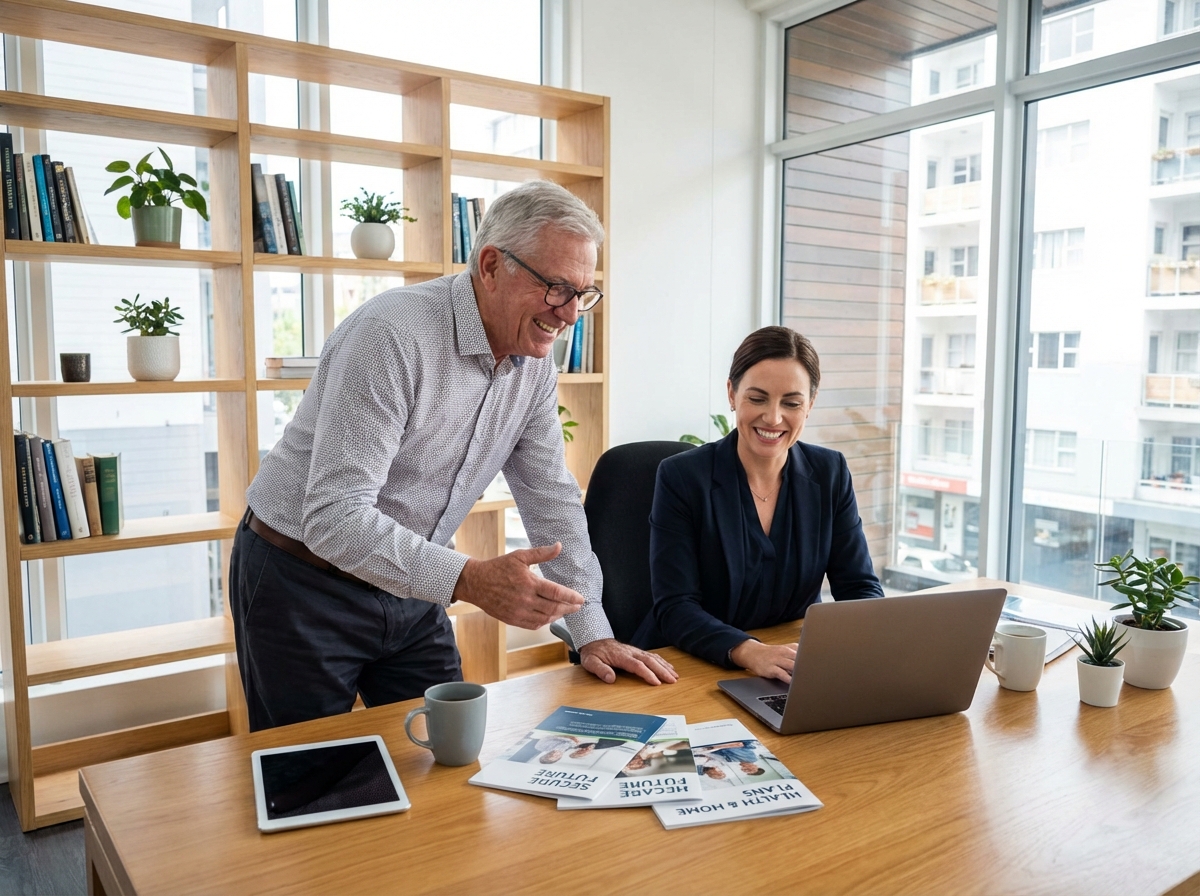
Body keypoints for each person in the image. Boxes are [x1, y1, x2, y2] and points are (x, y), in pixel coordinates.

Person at [230, 180, 676, 731]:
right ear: (491, 266)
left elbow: (551, 498)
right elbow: (335, 518)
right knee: (312, 781)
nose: (571, 315)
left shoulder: (534, 365)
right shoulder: (392, 334)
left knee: (447, 758)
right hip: (301, 580)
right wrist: (470, 580)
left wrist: (593, 632)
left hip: (413, 583)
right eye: (557, 288)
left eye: (584, 293)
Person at [635, 325, 883, 683]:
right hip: (686, 667)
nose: (773, 417)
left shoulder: (830, 473)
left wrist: (875, 643)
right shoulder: (682, 477)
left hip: (789, 665)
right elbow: (675, 607)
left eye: (792, 403)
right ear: (732, 394)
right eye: (758, 398)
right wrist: (750, 651)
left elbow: (859, 587)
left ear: (810, 405)